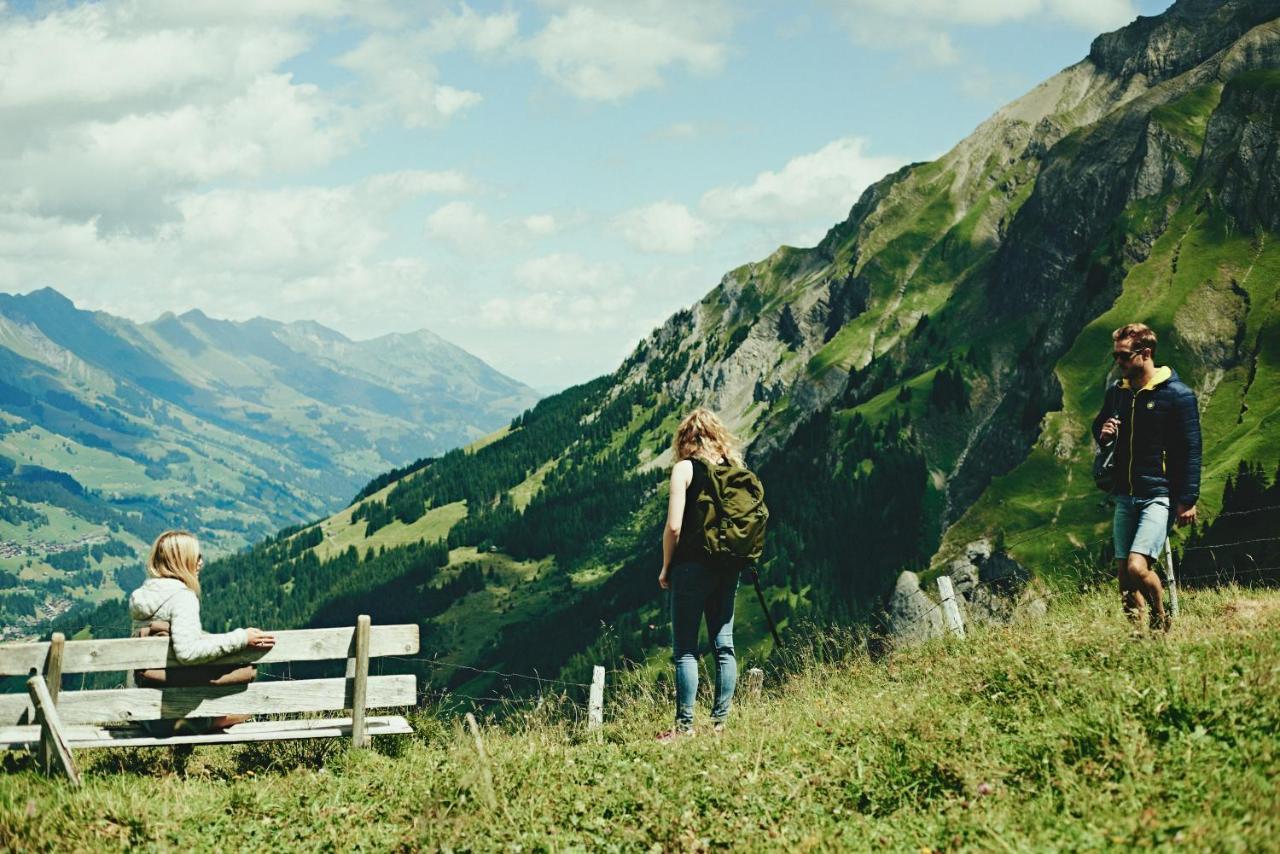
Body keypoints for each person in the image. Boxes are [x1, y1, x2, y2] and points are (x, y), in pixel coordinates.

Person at [1091, 323, 1201, 632]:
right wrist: (1104, 434)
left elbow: (1192, 449)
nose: (1119, 363)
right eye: (1116, 356)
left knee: (1138, 568)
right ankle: (1139, 639)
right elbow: (1100, 429)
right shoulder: (1119, 393)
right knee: (1124, 579)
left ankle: (1160, 619)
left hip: (1159, 495)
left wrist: (1187, 499)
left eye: (1124, 356)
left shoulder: (1177, 396)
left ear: (1145, 353)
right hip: (1125, 494)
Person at [129, 530, 276, 733]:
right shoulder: (182, 598)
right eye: (197, 557)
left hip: (138, 707)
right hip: (167, 716)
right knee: (247, 711)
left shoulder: (143, 595)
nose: (201, 563)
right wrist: (242, 638)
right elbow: (188, 652)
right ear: (182, 560)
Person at [657, 408, 743, 740]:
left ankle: (685, 727)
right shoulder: (732, 470)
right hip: (727, 565)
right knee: (724, 644)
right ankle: (720, 724)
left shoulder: (684, 469)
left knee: (686, 650)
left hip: (692, 567)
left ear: (685, 438)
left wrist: (666, 566)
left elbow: (674, 527)